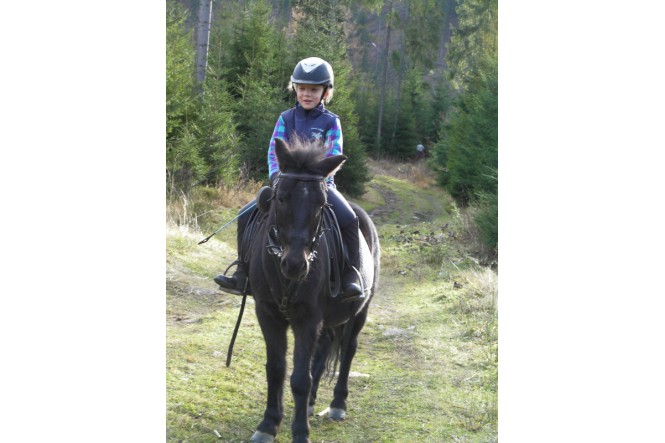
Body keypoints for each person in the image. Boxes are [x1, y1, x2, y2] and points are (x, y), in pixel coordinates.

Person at [214, 57, 364, 302]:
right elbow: (274, 152)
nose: (307, 94)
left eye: (313, 90)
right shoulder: (285, 118)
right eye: (302, 88)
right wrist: (276, 178)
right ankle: (243, 272)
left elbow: (334, 153)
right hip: (285, 186)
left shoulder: (331, 121)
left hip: (319, 187)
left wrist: (319, 180)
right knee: (244, 214)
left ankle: (351, 275)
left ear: (325, 92)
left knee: (350, 219)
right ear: (294, 88)